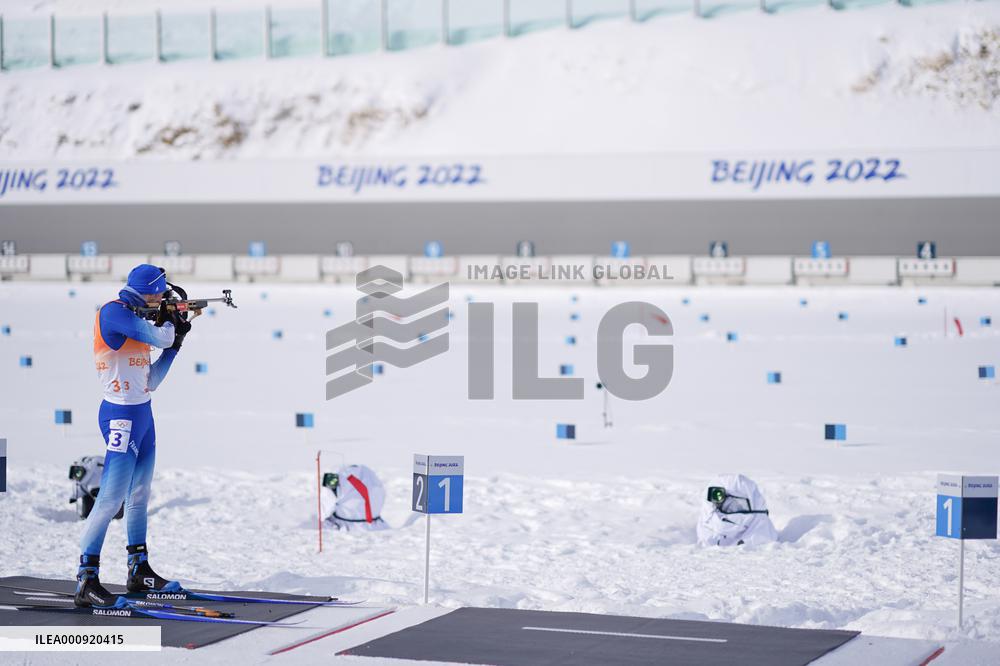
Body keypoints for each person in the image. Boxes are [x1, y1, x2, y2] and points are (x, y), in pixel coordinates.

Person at [74, 264, 197, 607]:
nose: (163, 299)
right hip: (120, 416)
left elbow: (151, 379)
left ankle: (138, 569)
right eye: (161, 294)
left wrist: (175, 347)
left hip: (142, 411)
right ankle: (86, 578)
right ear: (150, 291)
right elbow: (161, 335)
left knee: (140, 495)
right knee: (111, 499)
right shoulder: (114, 312)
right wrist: (172, 325)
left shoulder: (137, 319)